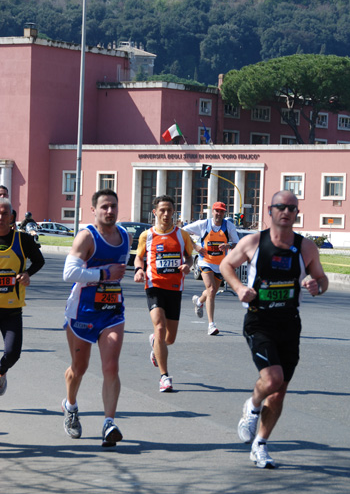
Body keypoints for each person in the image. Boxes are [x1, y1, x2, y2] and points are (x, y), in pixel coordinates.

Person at [220, 190, 328, 469]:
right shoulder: (254, 242)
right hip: (259, 321)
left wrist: (317, 286)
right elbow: (226, 265)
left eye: (292, 208)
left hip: (289, 323)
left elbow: (321, 278)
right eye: (281, 207)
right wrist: (239, 287)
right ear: (270, 210)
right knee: (272, 379)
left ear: (297, 213)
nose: (287, 212)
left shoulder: (305, 248)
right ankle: (252, 406)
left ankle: (260, 444)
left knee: (279, 391)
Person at [62, 189, 131, 447]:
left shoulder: (125, 236)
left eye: (113, 206)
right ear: (94, 210)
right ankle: (70, 406)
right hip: (82, 311)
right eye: (104, 207)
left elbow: (122, 270)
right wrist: (103, 274)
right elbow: (69, 273)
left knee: (111, 366)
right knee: (79, 368)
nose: (110, 211)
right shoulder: (86, 237)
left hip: (112, 312)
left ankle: (108, 423)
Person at [134, 195, 193, 392]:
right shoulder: (147, 235)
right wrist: (139, 270)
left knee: (170, 339)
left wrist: (187, 265)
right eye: (162, 210)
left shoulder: (182, 235)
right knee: (159, 327)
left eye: (169, 210)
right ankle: (164, 377)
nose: (166, 214)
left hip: (175, 288)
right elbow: (139, 258)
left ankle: (155, 345)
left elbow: (189, 257)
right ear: (155, 212)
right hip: (154, 286)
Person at [0, 197, 44, 395]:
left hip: (11, 309)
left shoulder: (23, 240)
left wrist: (27, 274)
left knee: (12, 354)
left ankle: (1, 372)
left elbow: (39, 261)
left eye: (4, 213)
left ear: (11, 217)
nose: (0, 217)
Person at [184, 202, 239, 336]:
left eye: (221, 212)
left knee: (211, 293)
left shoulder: (228, 226)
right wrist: (196, 246)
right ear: (212, 212)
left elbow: (237, 243)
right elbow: (183, 231)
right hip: (206, 261)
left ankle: (198, 301)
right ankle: (211, 325)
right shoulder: (204, 224)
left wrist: (228, 245)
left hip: (221, 264)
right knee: (212, 289)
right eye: (217, 211)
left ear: (224, 213)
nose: (219, 214)